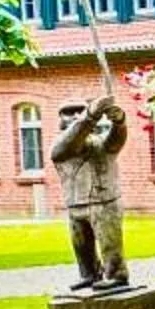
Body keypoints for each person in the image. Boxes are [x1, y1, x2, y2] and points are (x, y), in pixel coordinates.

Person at [50, 96, 131, 293]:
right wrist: (89, 115)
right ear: (60, 118)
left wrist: (119, 121)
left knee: (109, 241)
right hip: (75, 204)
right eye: (69, 113)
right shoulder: (61, 144)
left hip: (104, 202)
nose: (76, 116)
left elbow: (115, 142)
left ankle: (116, 274)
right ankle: (88, 274)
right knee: (81, 245)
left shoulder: (99, 142)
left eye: (80, 110)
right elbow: (73, 138)